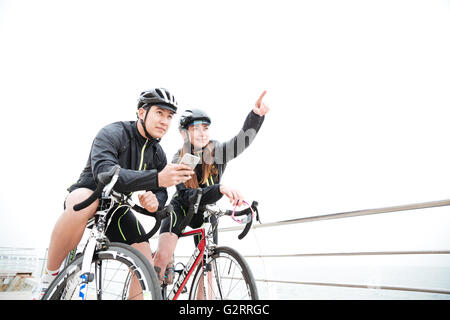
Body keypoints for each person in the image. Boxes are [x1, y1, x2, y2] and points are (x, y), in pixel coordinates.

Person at [32, 88, 195, 300]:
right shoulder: (114, 132)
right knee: (82, 202)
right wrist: (156, 178)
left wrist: (156, 200)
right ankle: (48, 280)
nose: (165, 121)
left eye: (169, 116)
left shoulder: (157, 153)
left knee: (144, 257)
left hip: (116, 206)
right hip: (90, 191)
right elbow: (105, 173)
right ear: (141, 112)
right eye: (159, 113)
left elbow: (161, 190)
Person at [153, 90, 270, 287]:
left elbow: (241, 141)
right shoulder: (178, 158)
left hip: (206, 212)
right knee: (161, 259)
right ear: (184, 133)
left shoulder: (217, 152)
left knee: (206, 271)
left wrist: (256, 116)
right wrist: (220, 188)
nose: (202, 133)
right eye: (195, 128)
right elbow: (187, 195)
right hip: (181, 208)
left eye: (205, 128)